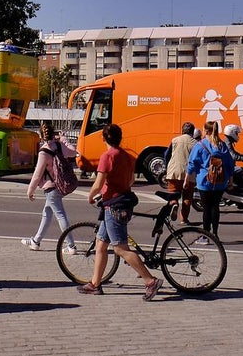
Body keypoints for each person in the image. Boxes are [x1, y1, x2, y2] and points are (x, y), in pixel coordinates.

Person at [76, 124, 163, 300]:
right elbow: (131, 179)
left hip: (114, 206)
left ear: (103, 138)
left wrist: (91, 196)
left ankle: (150, 281)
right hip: (124, 200)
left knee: (120, 249)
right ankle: (95, 284)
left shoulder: (107, 156)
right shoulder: (126, 155)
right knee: (101, 244)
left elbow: (98, 184)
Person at [21, 122, 78, 253]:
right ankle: (36, 241)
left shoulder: (44, 152)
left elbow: (37, 174)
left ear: (41, 137)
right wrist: (64, 140)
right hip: (61, 185)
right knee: (47, 213)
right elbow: (73, 152)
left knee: (60, 216)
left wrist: (30, 190)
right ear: (54, 134)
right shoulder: (59, 146)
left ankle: (71, 246)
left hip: (51, 188)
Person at [185, 121, 235, 243]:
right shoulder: (222, 145)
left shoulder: (200, 145)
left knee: (206, 208)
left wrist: (187, 179)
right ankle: (215, 235)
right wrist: (230, 179)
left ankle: (206, 236)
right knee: (215, 207)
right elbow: (230, 164)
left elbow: (192, 163)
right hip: (220, 182)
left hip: (204, 181)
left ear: (206, 131)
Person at [164, 122, 197, 224]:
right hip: (189, 173)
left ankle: (174, 203)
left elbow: (166, 155)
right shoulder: (196, 143)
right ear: (192, 132)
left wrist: (167, 167)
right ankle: (184, 219)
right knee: (187, 197)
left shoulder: (175, 140)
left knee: (173, 194)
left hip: (174, 170)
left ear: (182, 130)